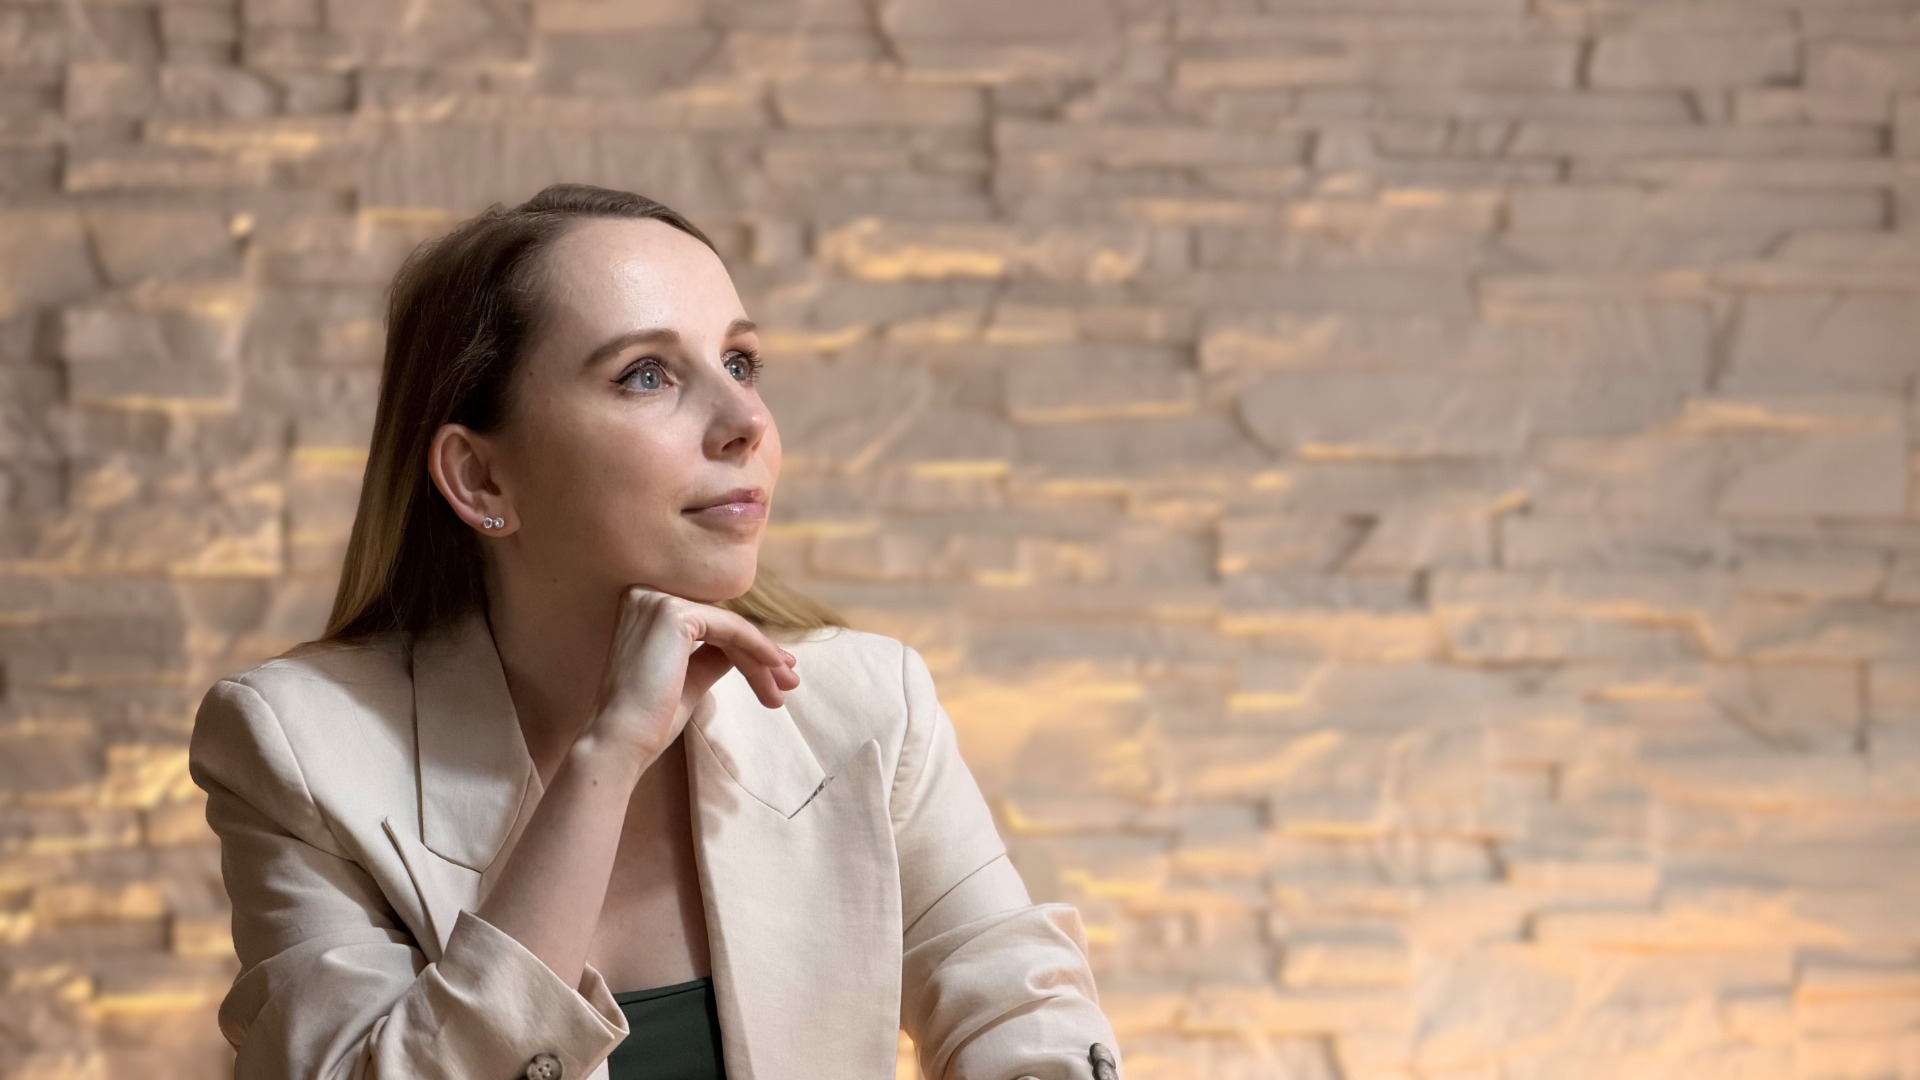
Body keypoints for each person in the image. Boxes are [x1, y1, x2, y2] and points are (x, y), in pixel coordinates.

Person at [187, 183, 1123, 1080]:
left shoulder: (865, 704)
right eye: (647, 375)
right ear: (480, 478)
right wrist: (606, 760)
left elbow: (1021, 1014)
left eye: (741, 363)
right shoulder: (299, 749)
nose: (746, 422)